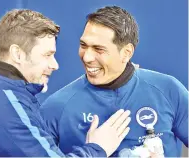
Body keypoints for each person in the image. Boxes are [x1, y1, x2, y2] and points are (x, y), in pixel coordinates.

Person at [0, 9, 131, 157]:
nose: (55, 65)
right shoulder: (1, 104)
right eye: (47, 55)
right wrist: (98, 148)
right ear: (18, 54)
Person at [40, 5, 188, 157]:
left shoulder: (168, 91)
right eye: (83, 45)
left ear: (126, 53)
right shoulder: (57, 107)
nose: (87, 57)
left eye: (99, 49)